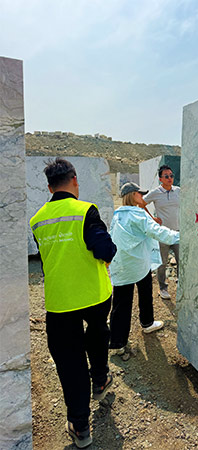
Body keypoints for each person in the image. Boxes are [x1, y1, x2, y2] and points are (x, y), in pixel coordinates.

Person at [29, 157, 116, 448]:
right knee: (97, 333)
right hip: (93, 295)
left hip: (60, 301)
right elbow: (104, 248)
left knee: (71, 362)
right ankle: (101, 381)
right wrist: (106, 254)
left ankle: (80, 427)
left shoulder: (37, 220)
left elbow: (46, 260)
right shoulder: (85, 211)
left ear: (50, 186)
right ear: (75, 181)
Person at [109, 182, 180, 358]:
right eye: (140, 194)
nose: (143, 197)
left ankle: (118, 342)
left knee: (121, 302)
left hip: (122, 264)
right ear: (133, 195)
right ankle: (147, 323)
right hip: (139, 263)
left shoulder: (118, 215)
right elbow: (158, 232)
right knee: (144, 292)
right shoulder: (138, 214)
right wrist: (181, 235)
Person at [143, 164, 180, 299]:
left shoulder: (178, 191)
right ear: (160, 179)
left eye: (171, 176)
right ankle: (163, 288)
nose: (170, 178)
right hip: (163, 233)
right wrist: (152, 218)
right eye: (166, 176)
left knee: (181, 259)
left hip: (177, 232)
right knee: (162, 262)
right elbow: (141, 203)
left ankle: (180, 283)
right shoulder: (155, 193)